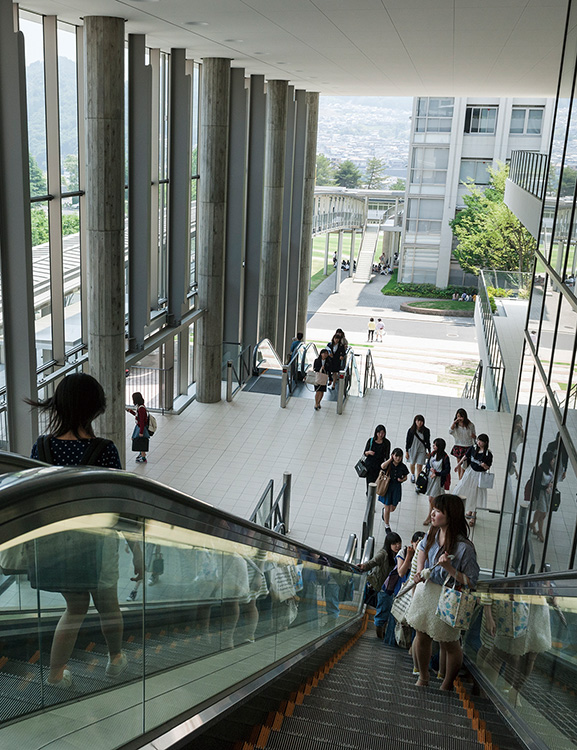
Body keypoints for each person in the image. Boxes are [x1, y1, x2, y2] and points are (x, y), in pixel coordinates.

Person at [28, 373, 143, 688]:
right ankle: (116, 660)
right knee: (108, 605)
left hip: (56, 546)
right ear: (96, 409)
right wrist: (136, 549)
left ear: (58, 406)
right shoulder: (104, 451)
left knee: (76, 606)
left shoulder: (42, 448)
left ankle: (55, 676)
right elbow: (120, 505)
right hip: (97, 544)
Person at [406, 494, 479, 691]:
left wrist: (450, 569)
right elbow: (422, 548)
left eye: (438, 511)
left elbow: (472, 581)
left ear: (450, 515)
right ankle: (424, 677)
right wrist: (420, 570)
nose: (432, 513)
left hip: (448, 597)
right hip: (427, 592)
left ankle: (447, 685)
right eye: (433, 509)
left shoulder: (465, 548)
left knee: (449, 643)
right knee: (422, 636)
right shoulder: (433, 532)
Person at [359, 532, 402, 640]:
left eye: (398, 543)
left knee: (386, 611)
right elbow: (372, 562)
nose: (397, 546)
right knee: (382, 612)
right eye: (394, 543)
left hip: (391, 588)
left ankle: (383, 632)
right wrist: (363, 566)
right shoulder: (383, 554)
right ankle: (380, 636)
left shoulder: (399, 554)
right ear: (388, 544)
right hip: (383, 588)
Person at [453, 433, 493, 526]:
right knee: (465, 488)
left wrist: (484, 465)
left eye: (481, 441)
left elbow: (488, 467)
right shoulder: (473, 448)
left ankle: (474, 515)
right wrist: (458, 465)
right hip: (470, 472)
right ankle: (470, 510)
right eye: (478, 440)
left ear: (485, 442)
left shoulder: (488, 454)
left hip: (479, 475)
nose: (478, 442)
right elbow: (465, 456)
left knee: (477, 494)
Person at [378, 448, 409, 532]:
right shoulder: (389, 464)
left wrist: (402, 480)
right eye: (396, 456)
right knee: (387, 507)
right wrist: (390, 459)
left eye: (399, 457)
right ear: (392, 456)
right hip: (387, 486)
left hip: (396, 488)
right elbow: (382, 466)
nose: (398, 458)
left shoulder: (402, 467)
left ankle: (384, 511)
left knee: (392, 508)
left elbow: (406, 476)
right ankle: (387, 525)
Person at [529, 450, 556, 542]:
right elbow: (536, 484)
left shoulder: (550, 469)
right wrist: (546, 487)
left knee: (540, 512)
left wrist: (550, 485)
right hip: (540, 494)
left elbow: (551, 480)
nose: (553, 461)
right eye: (552, 459)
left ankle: (532, 525)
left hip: (547, 494)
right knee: (543, 513)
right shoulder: (539, 469)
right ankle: (540, 532)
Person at [423, 438, 450, 526]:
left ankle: (430, 516)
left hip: (438, 480)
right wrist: (430, 469)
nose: (433, 446)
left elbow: (447, 470)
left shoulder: (445, 457)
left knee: (432, 499)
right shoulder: (433, 454)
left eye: (435, 445)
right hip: (431, 478)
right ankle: (433, 514)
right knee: (431, 499)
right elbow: (428, 463)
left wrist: (437, 473)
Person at [449, 408, 476, 479]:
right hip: (458, 445)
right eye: (458, 416)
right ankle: (460, 479)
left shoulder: (470, 425)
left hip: (468, 446)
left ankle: (462, 480)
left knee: (465, 465)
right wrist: (454, 423)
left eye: (461, 416)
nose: (459, 418)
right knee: (459, 464)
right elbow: (450, 431)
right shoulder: (455, 425)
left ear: (464, 417)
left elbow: (474, 437)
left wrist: (473, 436)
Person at [363, 424, 391, 492]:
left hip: (379, 466)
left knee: (377, 482)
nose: (381, 435)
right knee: (369, 482)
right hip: (370, 466)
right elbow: (365, 453)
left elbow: (387, 456)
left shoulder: (386, 443)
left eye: (382, 433)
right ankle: (369, 494)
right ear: (376, 433)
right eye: (379, 433)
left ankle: (375, 493)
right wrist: (369, 452)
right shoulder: (371, 441)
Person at [405, 414, 431, 487]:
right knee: (412, 463)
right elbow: (408, 441)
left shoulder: (426, 431)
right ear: (415, 421)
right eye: (418, 421)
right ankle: (413, 474)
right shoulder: (411, 430)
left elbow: (427, 441)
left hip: (422, 450)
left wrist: (429, 451)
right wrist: (406, 451)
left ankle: (418, 482)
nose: (419, 423)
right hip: (413, 449)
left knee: (420, 465)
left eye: (421, 421)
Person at [127, 391, 149, 463]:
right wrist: (131, 411)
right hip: (139, 427)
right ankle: (141, 455)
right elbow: (138, 416)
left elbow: (142, 421)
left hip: (140, 427)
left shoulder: (141, 408)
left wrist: (141, 432)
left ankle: (143, 457)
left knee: (140, 441)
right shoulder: (140, 407)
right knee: (139, 440)